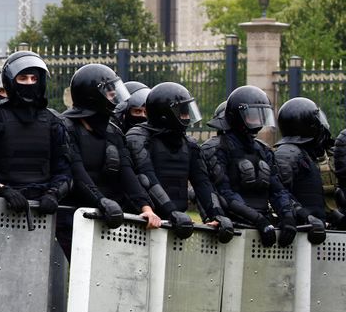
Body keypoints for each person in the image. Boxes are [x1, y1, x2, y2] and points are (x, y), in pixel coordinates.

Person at [60, 64, 161, 257]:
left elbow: (126, 171)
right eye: (109, 94)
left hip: (108, 215)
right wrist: (102, 201)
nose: (114, 99)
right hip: (71, 216)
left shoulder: (112, 131)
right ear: (92, 96)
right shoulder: (64, 127)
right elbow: (76, 171)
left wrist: (146, 208)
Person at [203, 85, 319, 247]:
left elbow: (278, 190)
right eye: (253, 116)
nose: (258, 121)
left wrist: (288, 217)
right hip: (232, 229)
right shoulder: (216, 148)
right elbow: (224, 193)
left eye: (261, 115)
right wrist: (258, 220)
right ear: (238, 115)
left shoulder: (263, 150)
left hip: (265, 224)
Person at [126, 82, 235, 242]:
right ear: (164, 112)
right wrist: (171, 212)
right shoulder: (138, 137)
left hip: (177, 222)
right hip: (145, 220)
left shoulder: (189, 144)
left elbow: (203, 183)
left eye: (186, 111)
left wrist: (217, 214)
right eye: (181, 112)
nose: (186, 116)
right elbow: (147, 177)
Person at [0, 51, 71, 214]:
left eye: (34, 79)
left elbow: (64, 170)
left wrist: (53, 193)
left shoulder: (53, 121)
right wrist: (3, 190)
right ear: (11, 82)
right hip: (1, 207)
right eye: (23, 78)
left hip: (41, 209)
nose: (29, 83)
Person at [274, 97, 342, 229]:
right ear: (308, 126)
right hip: (299, 232)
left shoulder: (305, 154)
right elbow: (278, 193)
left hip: (313, 229)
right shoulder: (288, 153)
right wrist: (304, 215)